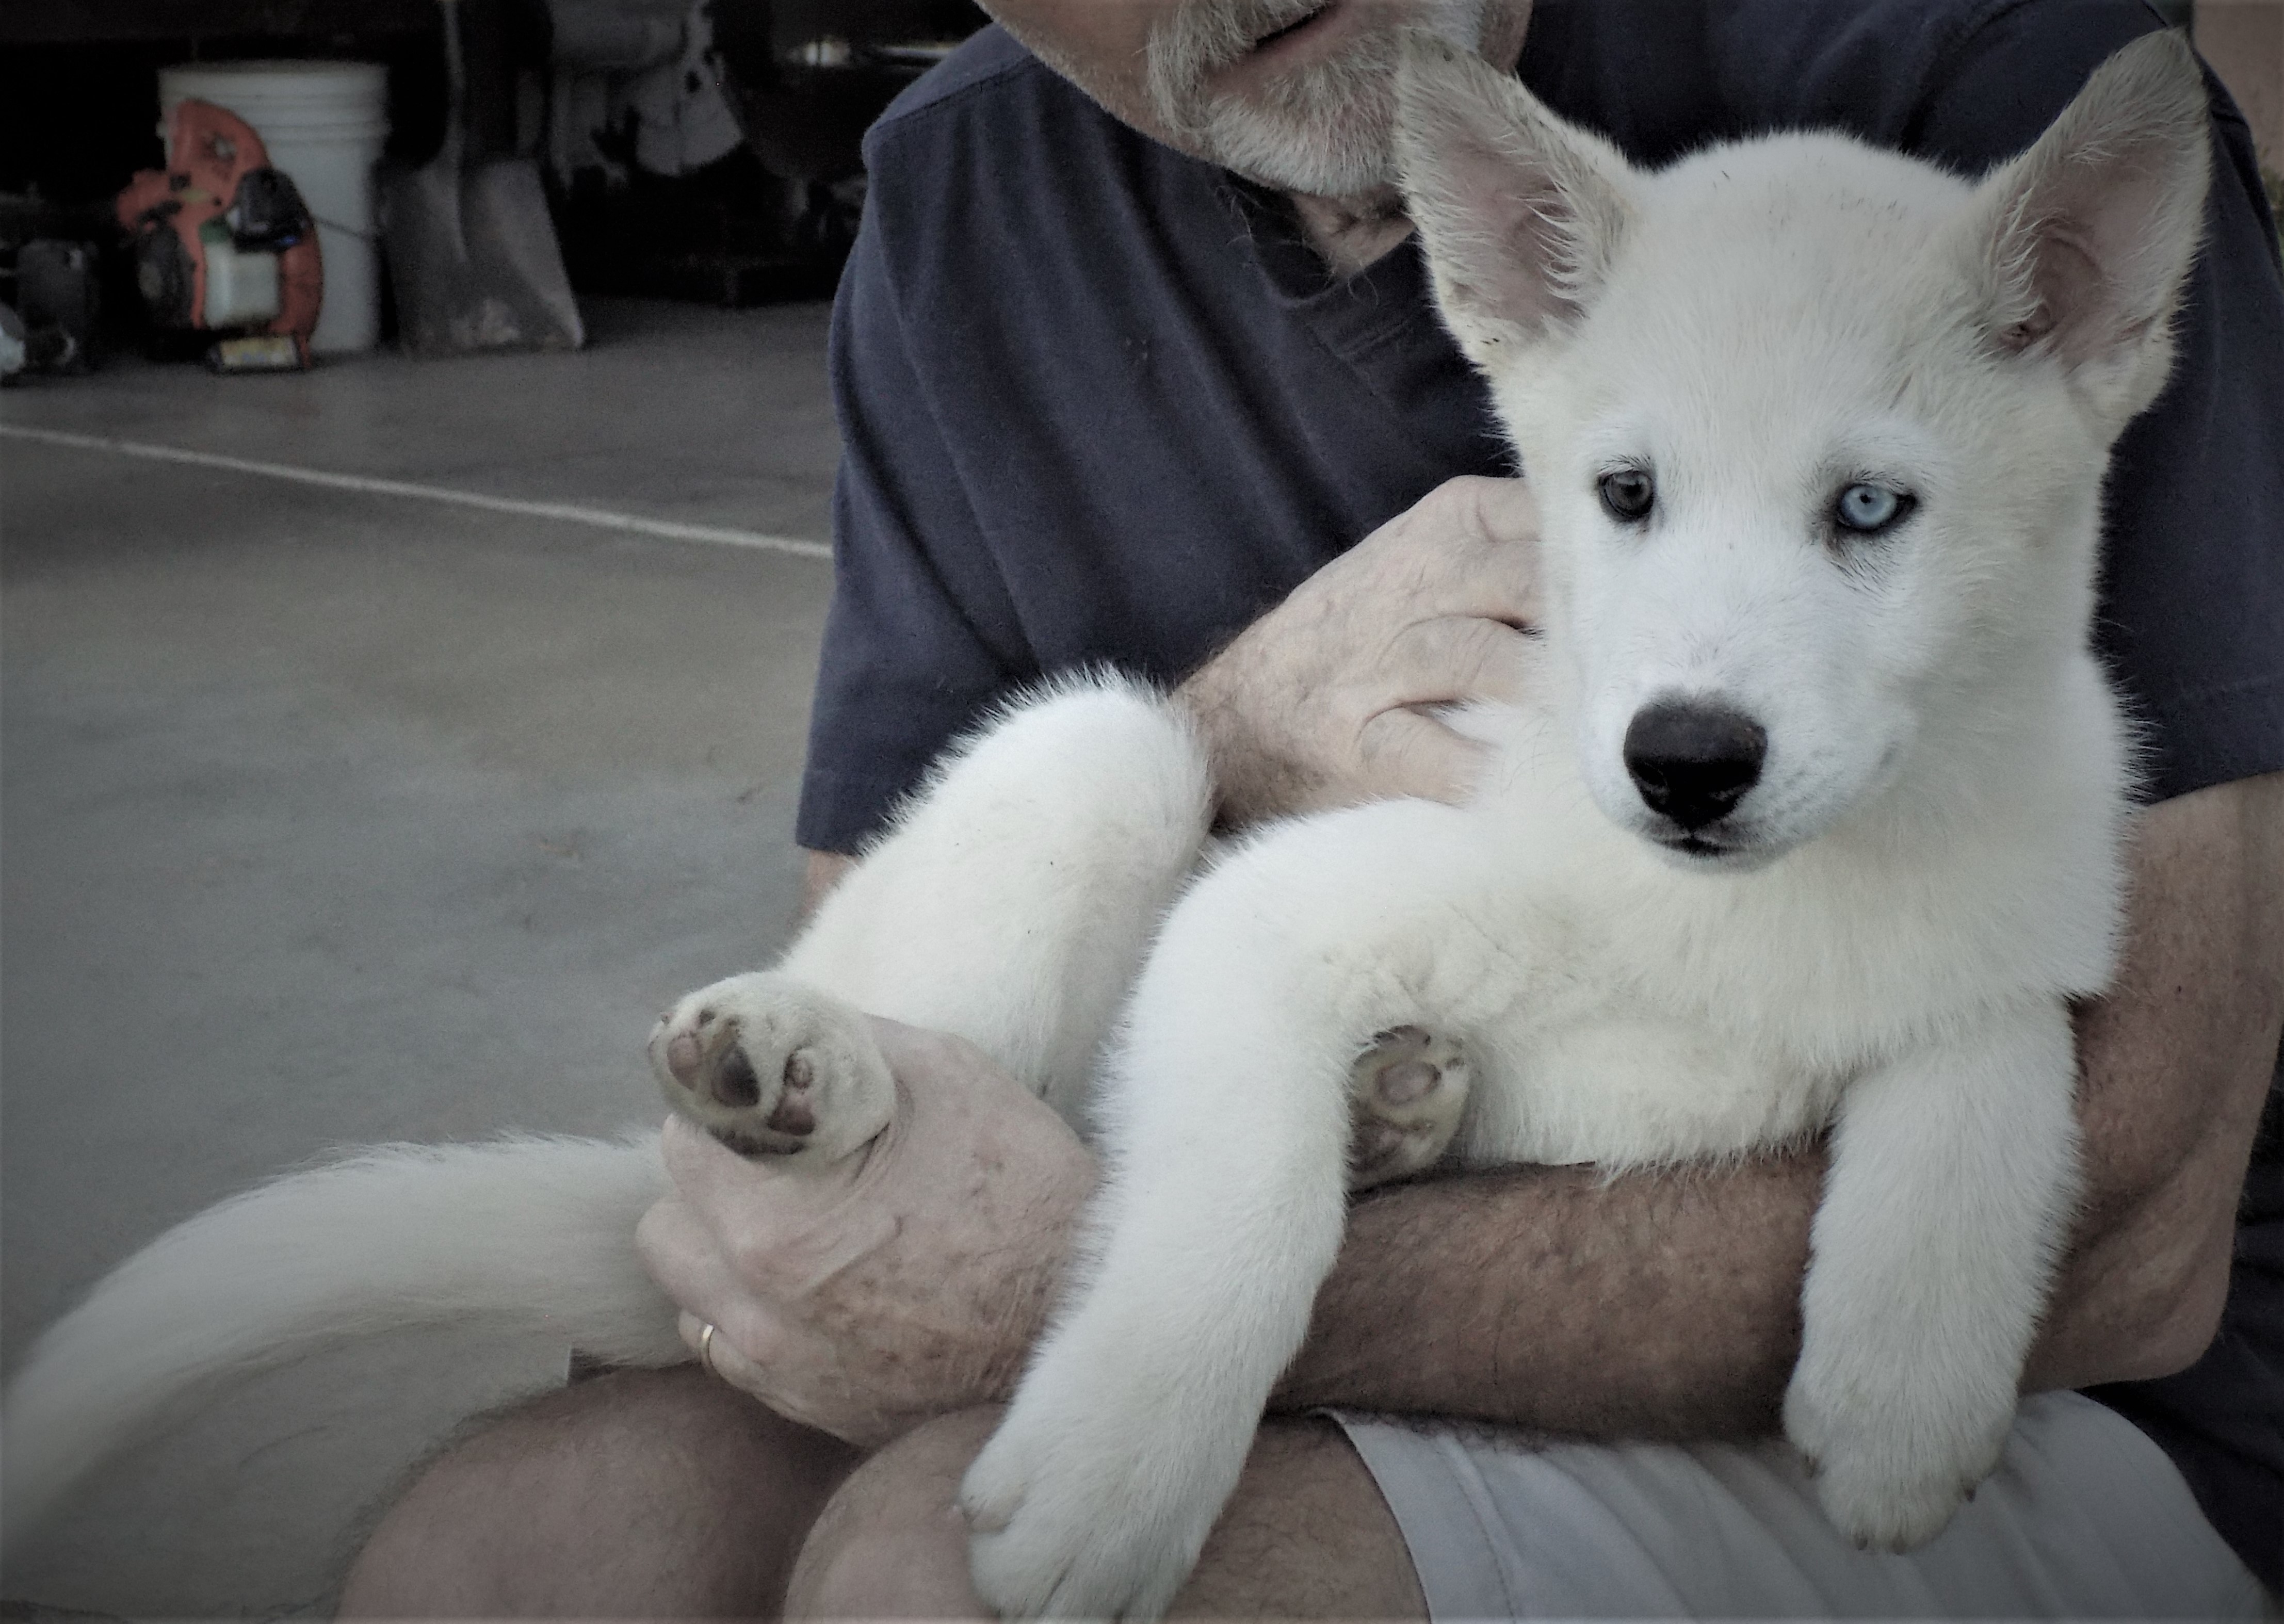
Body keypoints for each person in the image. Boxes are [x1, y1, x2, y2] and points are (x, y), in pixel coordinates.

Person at [341, 0, 2284, 1614]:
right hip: (1289, 1142)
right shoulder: (966, 194)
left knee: (938, 1580)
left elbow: (2132, 1236)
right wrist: (1238, 732)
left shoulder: (1960, 67)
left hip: (2058, 1413)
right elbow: (894, 1018)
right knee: (516, 1556)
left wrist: (1113, 1297)